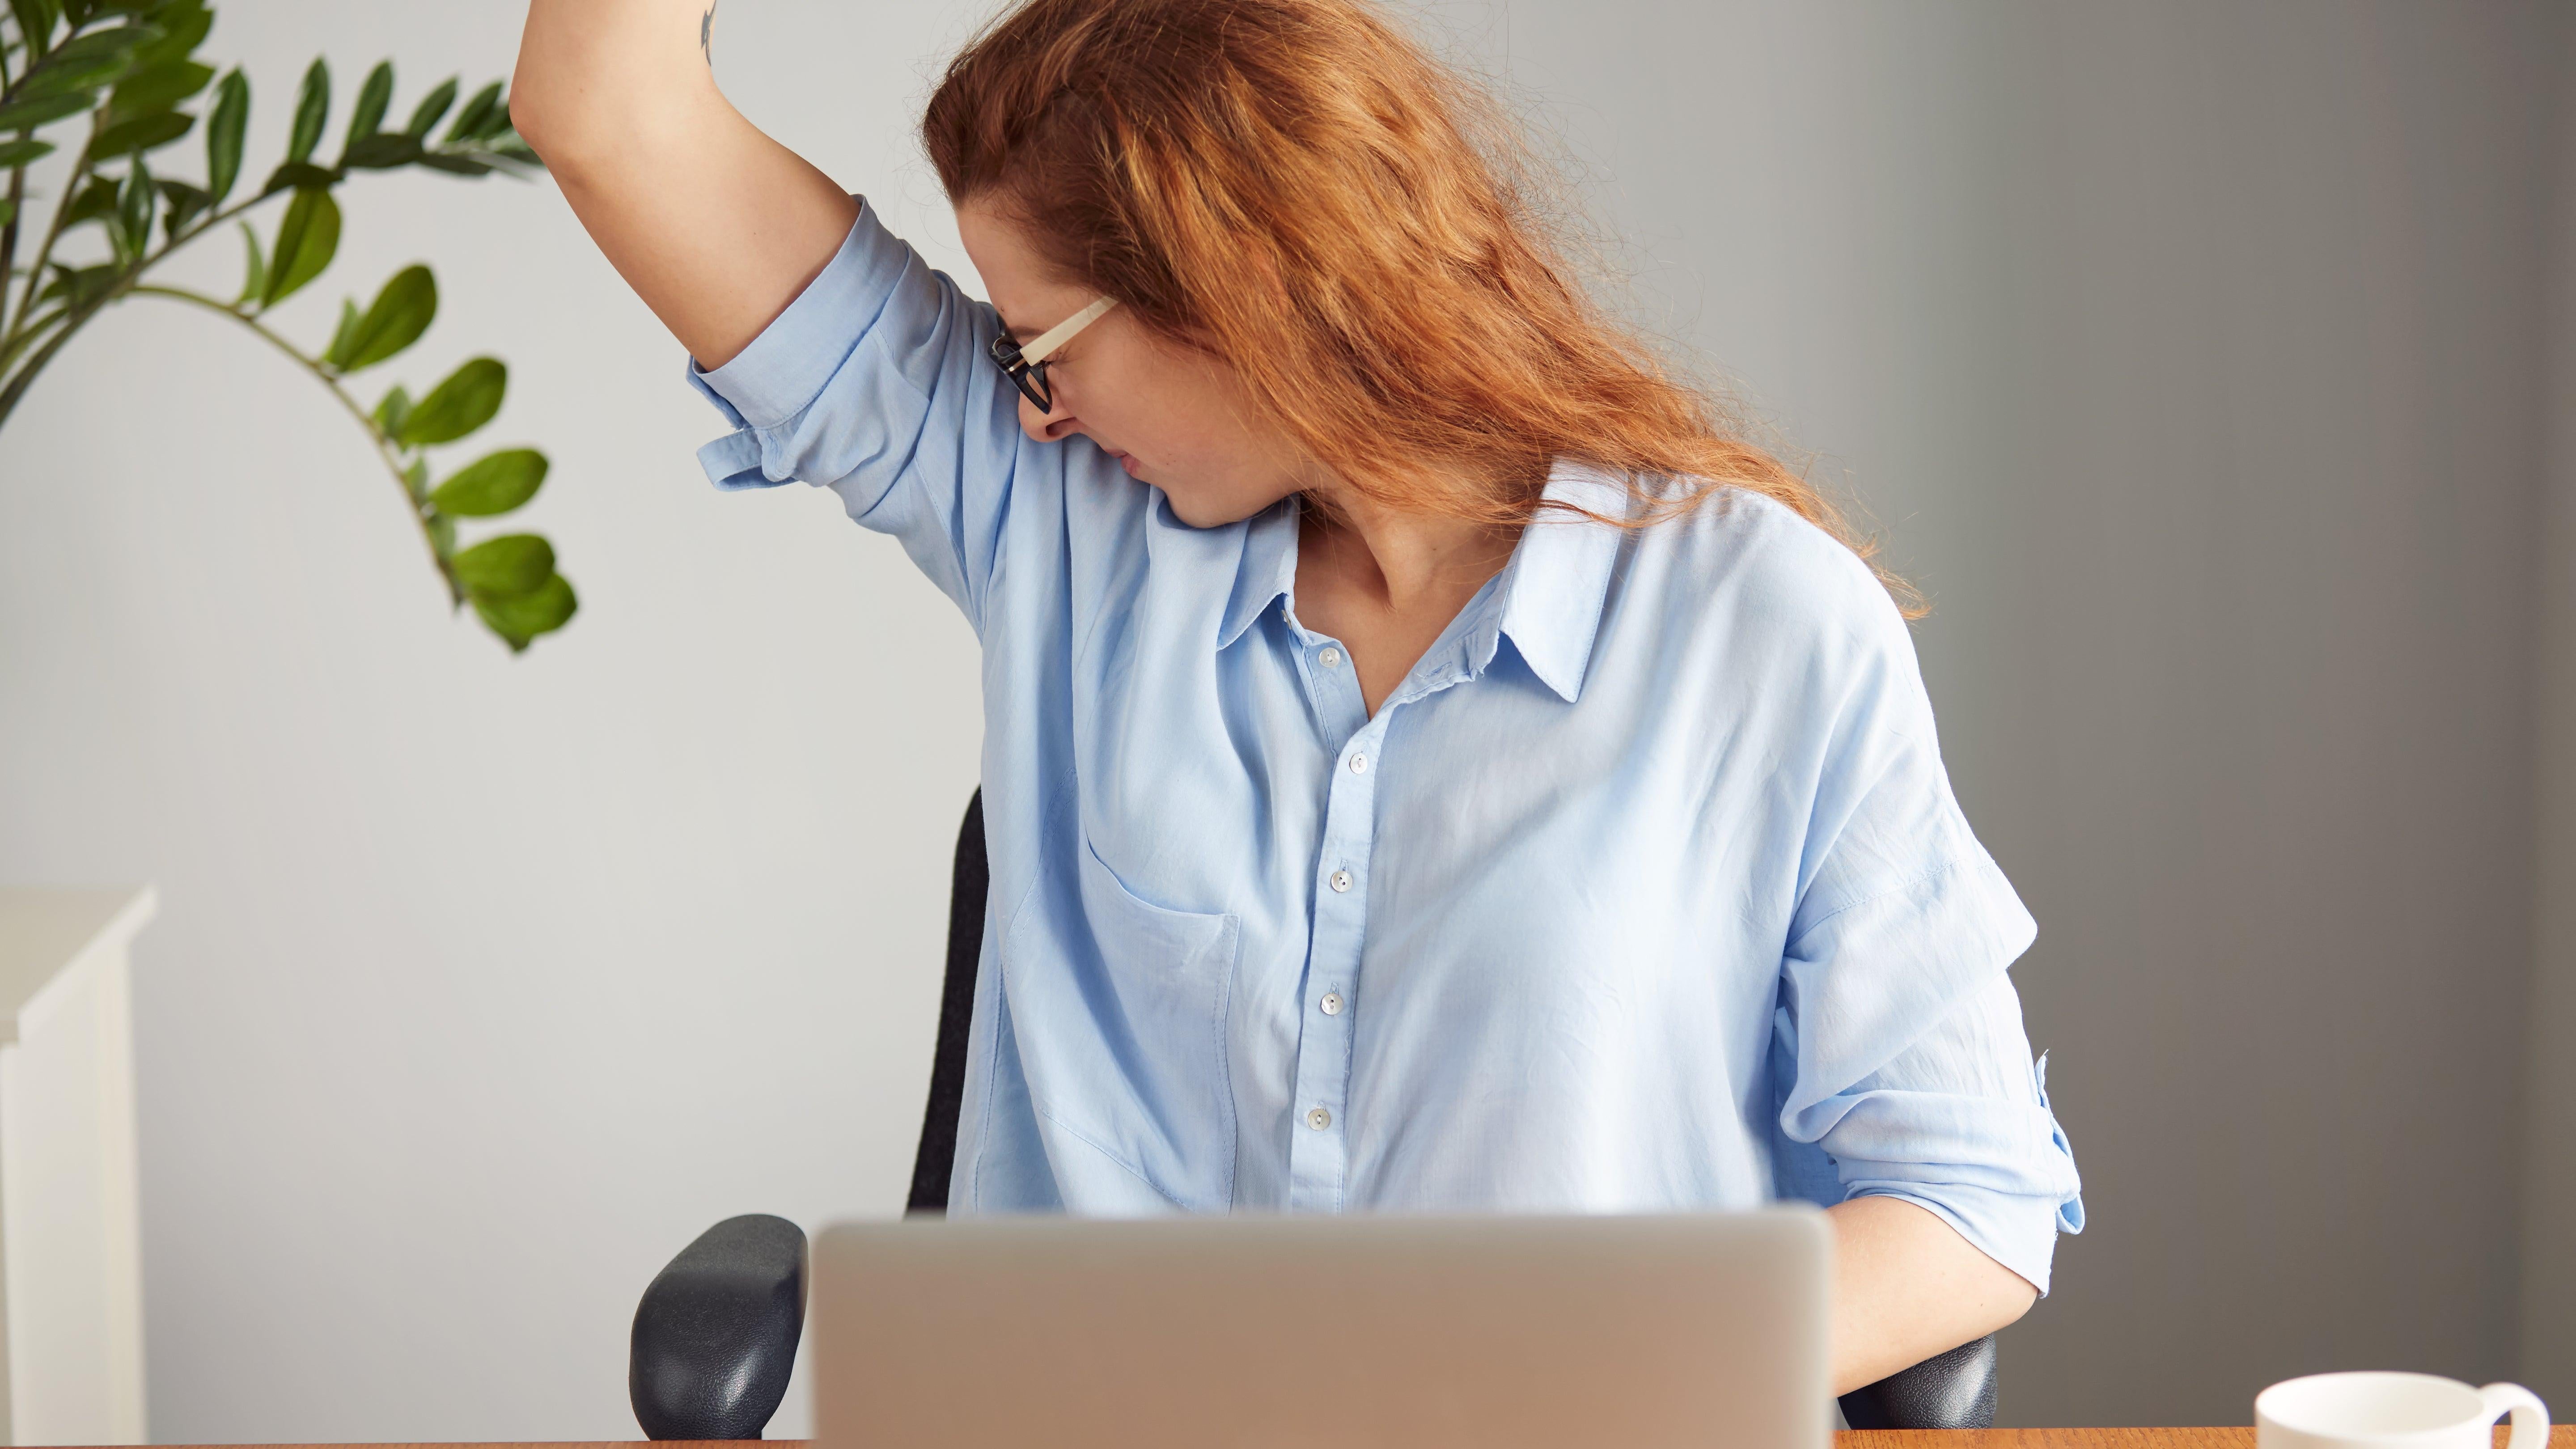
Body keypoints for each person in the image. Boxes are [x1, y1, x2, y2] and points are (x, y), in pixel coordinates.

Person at [509, 0, 2083, 1396]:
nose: (1033, 414)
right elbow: (606, 106)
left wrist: (1582, 1390)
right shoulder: (1065, 529)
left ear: (1235, 296)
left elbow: (1967, 1201)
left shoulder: (1765, 628)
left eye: (1042, 347)